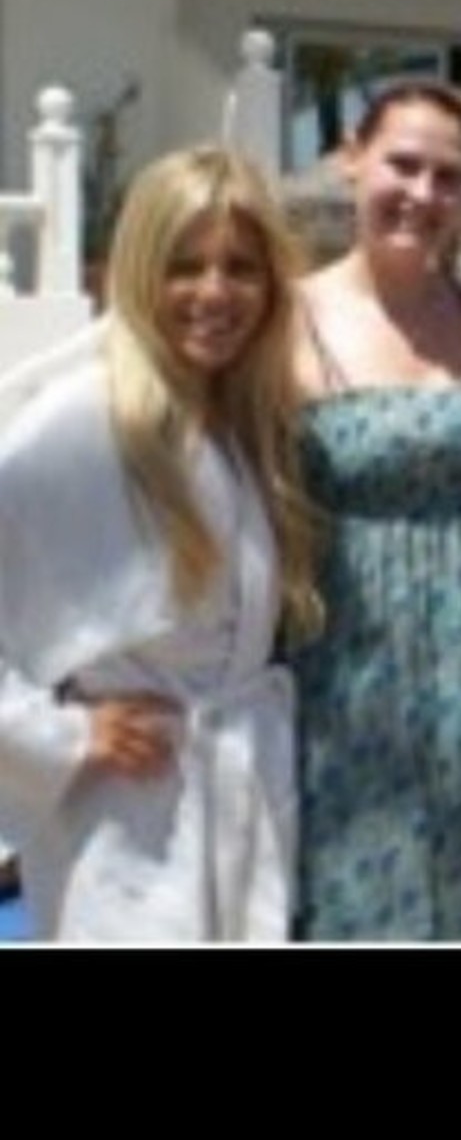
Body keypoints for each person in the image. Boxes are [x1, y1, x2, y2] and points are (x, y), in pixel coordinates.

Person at [0, 145, 320, 944]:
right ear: (140, 272)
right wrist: (63, 735)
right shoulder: (75, 420)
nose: (214, 292)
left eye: (240, 267)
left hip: (243, 787)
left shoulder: (247, 422)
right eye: (185, 266)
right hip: (127, 817)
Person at [290, 80, 461, 942]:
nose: (422, 193)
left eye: (447, 176)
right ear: (351, 160)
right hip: (341, 653)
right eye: (402, 165)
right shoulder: (286, 317)